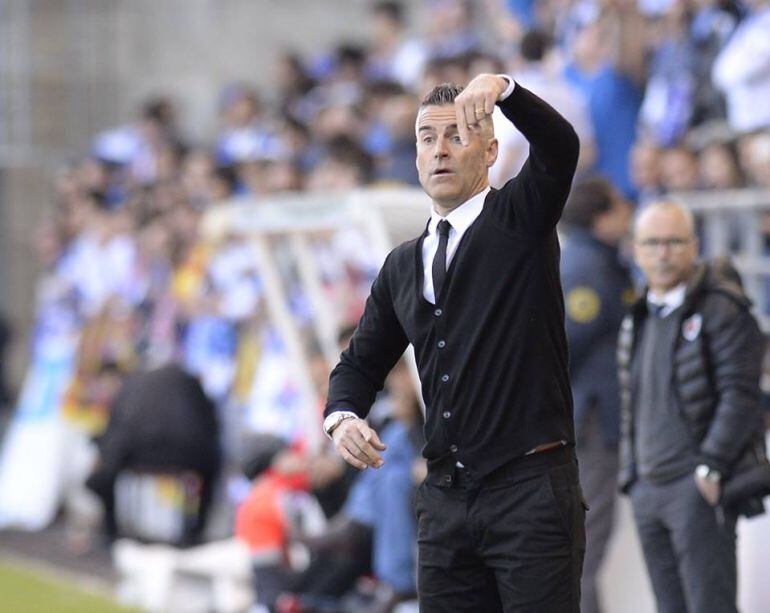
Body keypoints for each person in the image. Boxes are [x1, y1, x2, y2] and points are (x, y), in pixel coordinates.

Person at [324, 72, 585, 611]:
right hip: (444, 501)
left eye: (456, 136)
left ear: (490, 151)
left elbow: (560, 146)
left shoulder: (520, 219)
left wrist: (506, 90)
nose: (439, 150)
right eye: (426, 138)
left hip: (530, 489)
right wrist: (343, 416)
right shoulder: (402, 264)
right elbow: (358, 365)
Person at [618, 201, 768, 613]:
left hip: (696, 489)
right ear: (635, 249)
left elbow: (742, 395)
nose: (663, 253)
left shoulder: (723, 308)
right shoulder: (638, 313)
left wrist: (711, 466)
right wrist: (631, 475)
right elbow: (631, 398)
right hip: (648, 489)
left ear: (694, 246)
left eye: (674, 242)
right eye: (652, 243)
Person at [560, 177, 633, 613]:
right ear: (600, 216)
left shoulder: (597, 260)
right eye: (621, 204)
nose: (628, 212)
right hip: (591, 419)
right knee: (585, 547)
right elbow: (563, 346)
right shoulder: (588, 267)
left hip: (592, 416)